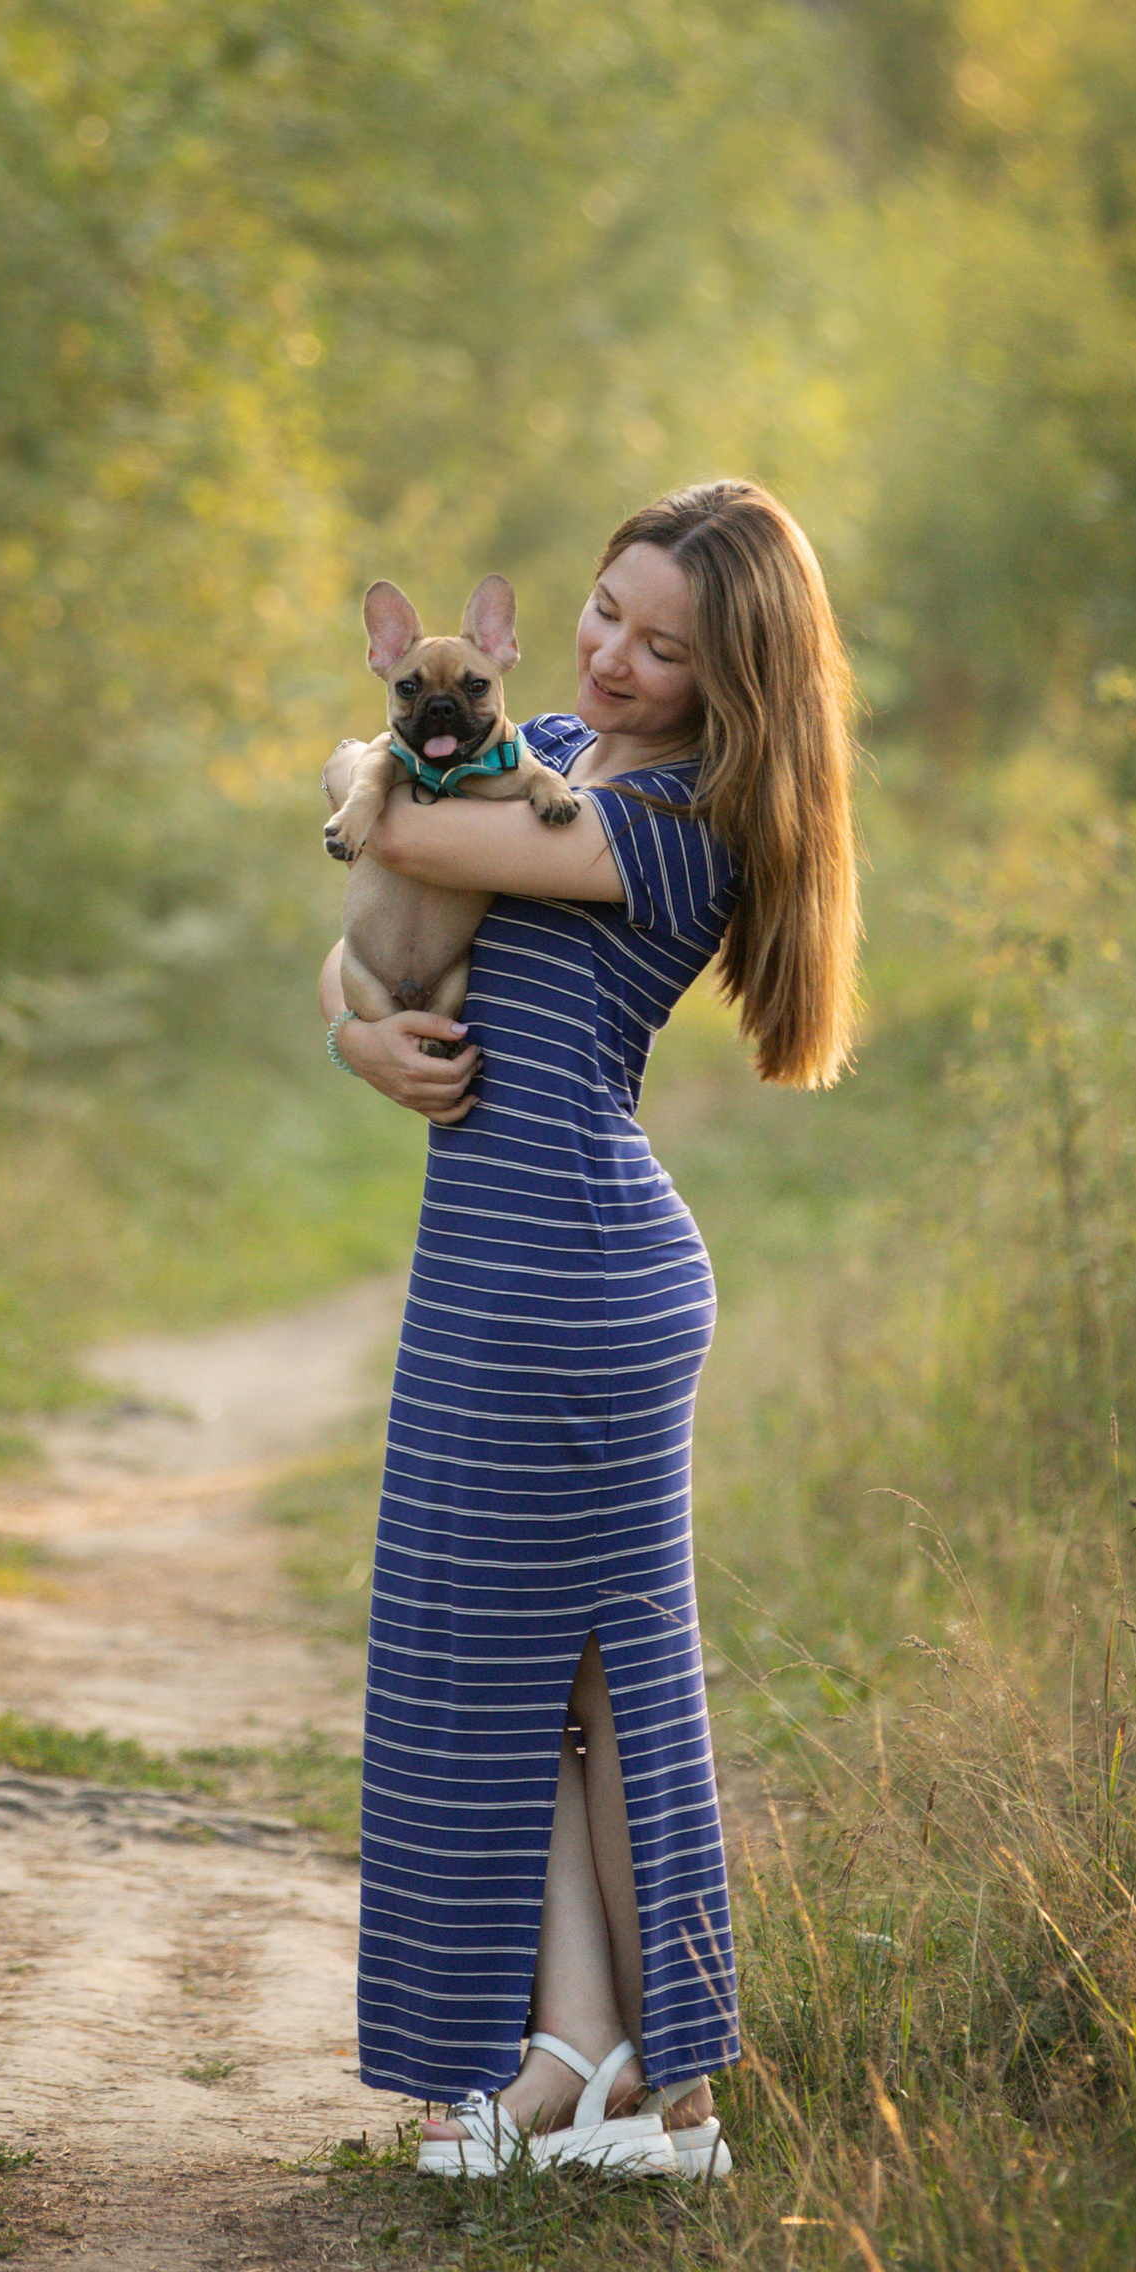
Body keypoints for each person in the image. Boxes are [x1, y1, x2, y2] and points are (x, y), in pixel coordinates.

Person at [317, 477, 859, 2180]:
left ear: (732, 678)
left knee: (613, 1684)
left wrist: (353, 768)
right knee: (513, 1681)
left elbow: (391, 829)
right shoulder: (536, 744)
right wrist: (356, 1044)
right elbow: (367, 944)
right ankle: (567, 2054)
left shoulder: (675, 822)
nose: (613, 658)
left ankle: (681, 2101)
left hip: (577, 1270)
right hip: (492, 1259)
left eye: (663, 644)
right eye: (604, 613)